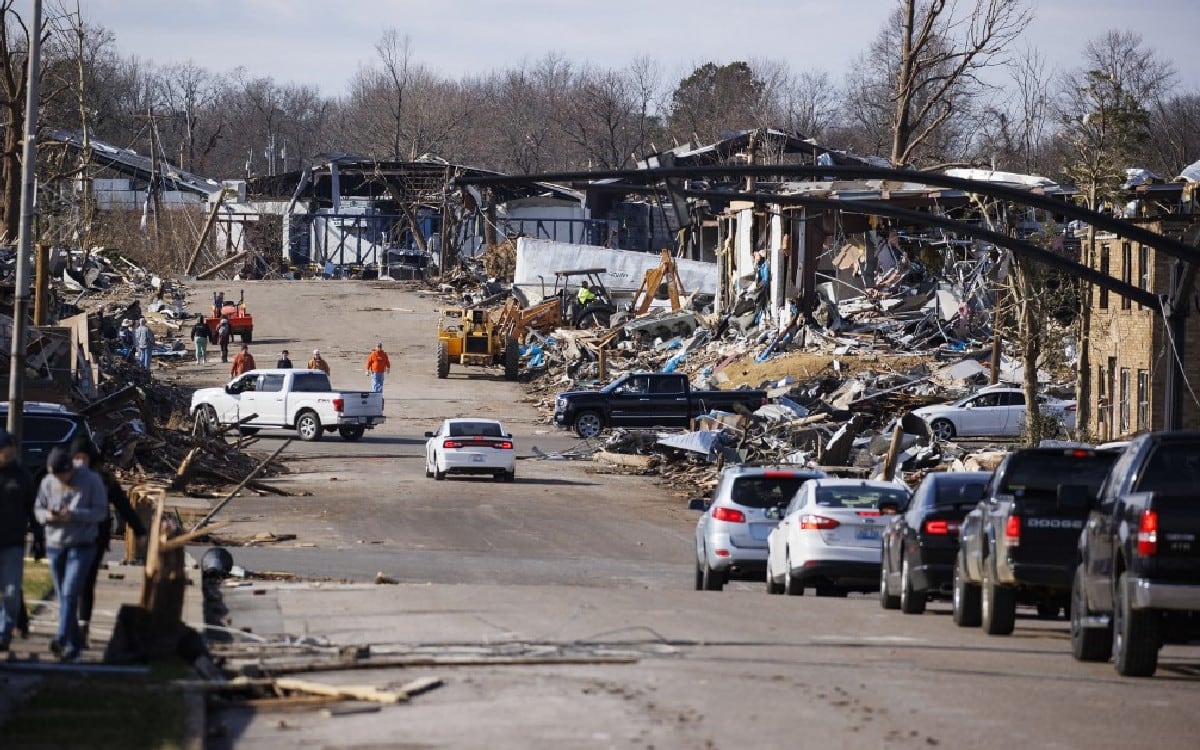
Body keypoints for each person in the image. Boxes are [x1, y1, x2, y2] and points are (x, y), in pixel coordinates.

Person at [69, 438, 146, 649]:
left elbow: (122, 504)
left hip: (96, 538)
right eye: (75, 458)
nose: (79, 462)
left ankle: (82, 627)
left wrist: (139, 530)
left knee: (86, 582)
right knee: (72, 584)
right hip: (71, 538)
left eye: (82, 458)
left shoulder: (104, 479)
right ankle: (71, 627)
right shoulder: (68, 477)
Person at [34, 447, 107, 662]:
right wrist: (46, 516)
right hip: (55, 545)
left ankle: (61, 638)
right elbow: (38, 508)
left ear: (70, 469)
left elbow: (101, 512)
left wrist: (73, 515)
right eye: (56, 476)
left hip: (82, 545)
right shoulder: (48, 481)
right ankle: (75, 646)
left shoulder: (91, 480)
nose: (60, 480)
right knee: (65, 597)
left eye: (62, 475)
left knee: (69, 592)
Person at [0, 429, 34, 651]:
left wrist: (39, 536)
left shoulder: (22, 476)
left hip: (13, 542)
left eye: (13, 450)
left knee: (12, 590)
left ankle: (4, 631)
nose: (10, 454)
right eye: (6, 450)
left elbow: (32, 508)